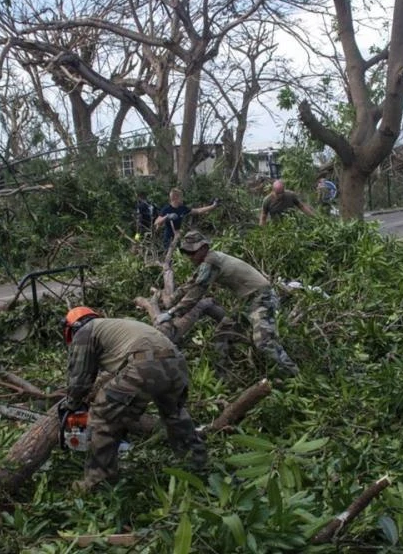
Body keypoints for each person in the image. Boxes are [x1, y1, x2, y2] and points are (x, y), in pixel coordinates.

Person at [57, 307, 207, 492]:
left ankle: (97, 482)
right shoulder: (114, 326)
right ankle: (196, 462)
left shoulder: (85, 332)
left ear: (72, 327)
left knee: (103, 417)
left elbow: (79, 379)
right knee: (174, 414)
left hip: (144, 365)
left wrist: (71, 404)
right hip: (176, 362)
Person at [155, 231, 299, 377]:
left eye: (193, 253)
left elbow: (196, 293)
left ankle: (294, 374)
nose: (190, 257)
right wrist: (171, 299)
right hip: (246, 301)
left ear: (204, 247)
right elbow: (190, 284)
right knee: (222, 334)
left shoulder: (211, 262)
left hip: (261, 298)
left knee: (264, 342)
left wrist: (171, 313)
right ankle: (222, 377)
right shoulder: (207, 261)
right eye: (187, 253)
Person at [153, 187, 219, 250]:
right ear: (176, 198)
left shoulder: (182, 208)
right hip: (168, 238)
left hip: (178, 236)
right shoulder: (166, 209)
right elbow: (156, 222)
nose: (182, 199)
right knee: (169, 256)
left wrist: (213, 206)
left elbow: (198, 211)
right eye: (181, 197)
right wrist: (167, 216)